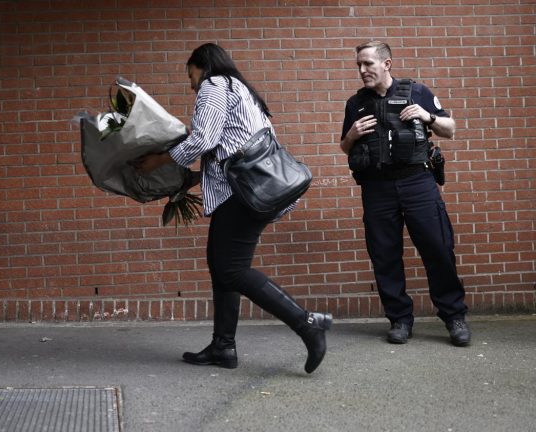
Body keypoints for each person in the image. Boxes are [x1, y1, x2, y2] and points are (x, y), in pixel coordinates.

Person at [135, 43, 332, 373]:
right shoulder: (240, 89)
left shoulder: (215, 84)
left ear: (204, 66)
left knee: (231, 269)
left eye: (191, 75)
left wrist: (158, 161)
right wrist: (191, 180)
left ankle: (309, 325)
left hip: (241, 194)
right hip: (246, 190)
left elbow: (204, 140)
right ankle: (223, 346)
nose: (191, 84)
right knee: (220, 265)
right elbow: (231, 149)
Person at [339, 41, 470, 346]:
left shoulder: (417, 92)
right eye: (359, 64)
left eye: (368, 64)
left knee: (438, 248)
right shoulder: (355, 104)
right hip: (377, 187)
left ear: (386, 64)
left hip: (418, 183)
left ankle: (454, 316)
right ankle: (399, 319)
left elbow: (450, 129)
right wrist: (351, 135)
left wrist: (429, 117)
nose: (362, 70)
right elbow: (345, 148)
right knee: (384, 255)